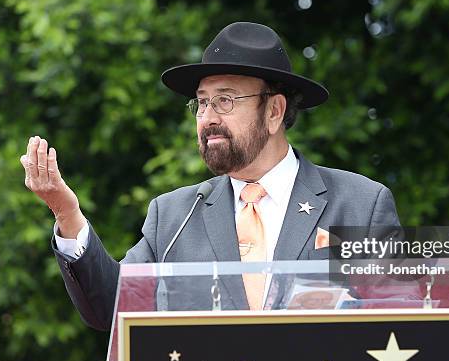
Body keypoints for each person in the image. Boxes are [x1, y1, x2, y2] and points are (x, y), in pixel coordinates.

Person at [20, 22, 400, 331]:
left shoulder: (360, 205)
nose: (208, 117)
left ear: (274, 112)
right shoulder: (172, 216)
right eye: (201, 102)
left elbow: (401, 328)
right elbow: (113, 307)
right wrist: (67, 215)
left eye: (225, 100)